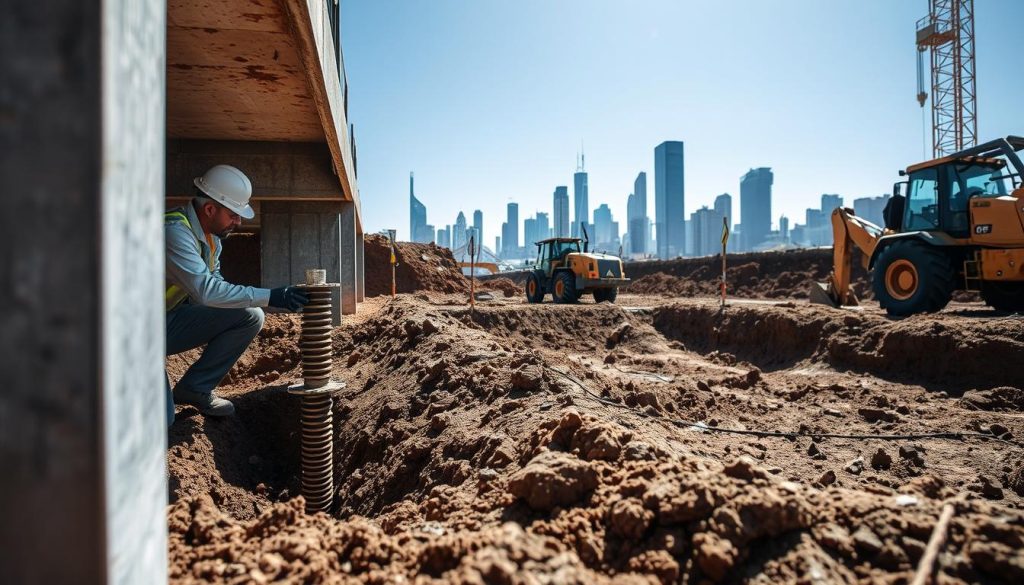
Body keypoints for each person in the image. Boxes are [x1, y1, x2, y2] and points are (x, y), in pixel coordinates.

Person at [165, 164, 309, 426]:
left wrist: (262, 300)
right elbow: (206, 292)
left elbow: (214, 289)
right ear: (210, 209)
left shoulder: (211, 240)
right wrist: (270, 296)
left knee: (249, 316)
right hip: (130, 334)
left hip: (164, 321)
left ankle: (194, 389)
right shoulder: (175, 233)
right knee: (161, 421)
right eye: (233, 215)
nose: (239, 222)